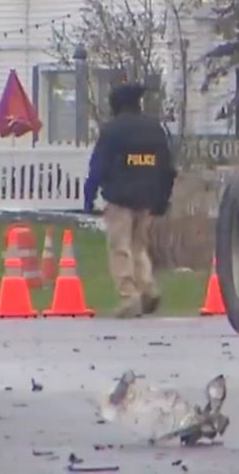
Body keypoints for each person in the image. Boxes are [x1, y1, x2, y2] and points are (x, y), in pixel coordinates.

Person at [83, 83, 177, 318]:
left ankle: (129, 295)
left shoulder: (113, 130)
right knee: (139, 245)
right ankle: (147, 287)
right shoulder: (155, 129)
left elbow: (98, 165)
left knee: (120, 247)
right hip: (147, 198)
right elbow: (167, 168)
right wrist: (162, 200)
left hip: (119, 198)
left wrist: (89, 196)